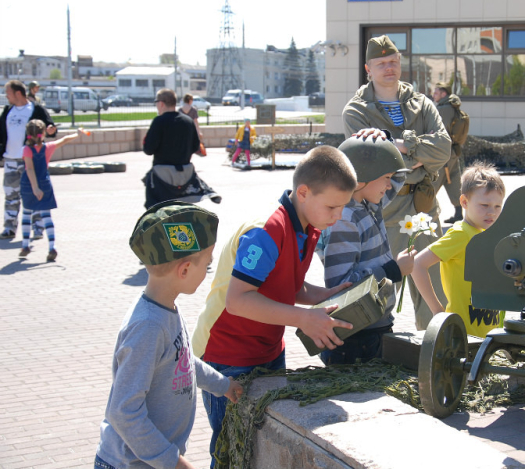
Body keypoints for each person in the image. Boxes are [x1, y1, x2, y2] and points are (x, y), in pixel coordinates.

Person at [192, 145, 357, 466]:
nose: (338, 217)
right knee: (230, 449)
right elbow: (238, 301)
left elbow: (290, 286)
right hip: (227, 357)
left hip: (267, 352)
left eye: (343, 208)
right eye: (333, 207)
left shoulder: (308, 227)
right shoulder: (266, 231)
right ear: (304, 192)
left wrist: (327, 295)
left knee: (259, 444)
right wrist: (303, 319)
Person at [96, 201, 243, 469]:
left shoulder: (166, 310)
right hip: (131, 464)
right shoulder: (148, 327)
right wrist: (174, 462)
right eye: (206, 265)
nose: (207, 272)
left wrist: (224, 385)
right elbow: (123, 412)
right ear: (185, 270)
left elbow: (183, 361)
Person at [342, 35, 451, 331]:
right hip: (384, 207)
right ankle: (371, 350)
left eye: (393, 62)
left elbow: (443, 150)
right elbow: (373, 162)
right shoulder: (357, 111)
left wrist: (400, 144)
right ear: (368, 68)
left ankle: (436, 348)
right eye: (381, 63)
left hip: (422, 206)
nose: (389, 68)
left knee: (435, 285)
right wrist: (416, 155)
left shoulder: (421, 103)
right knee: (378, 284)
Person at [315, 131, 415, 365]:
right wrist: (393, 270)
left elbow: (397, 176)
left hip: (374, 325)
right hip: (356, 337)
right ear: (361, 179)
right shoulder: (346, 219)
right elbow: (340, 285)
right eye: (386, 177)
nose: (391, 184)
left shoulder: (369, 202)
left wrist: (384, 139)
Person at [411, 162, 506, 337]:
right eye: (484, 205)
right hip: (463, 336)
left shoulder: (489, 235)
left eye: (497, 206)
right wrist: (437, 311)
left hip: (489, 334)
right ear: (464, 201)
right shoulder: (461, 234)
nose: (491, 212)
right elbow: (417, 265)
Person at [18, 120, 86, 261]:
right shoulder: (48, 147)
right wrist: (77, 134)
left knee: (26, 213)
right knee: (46, 215)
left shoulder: (26, 150)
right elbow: (64, 140)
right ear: (43, 133)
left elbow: (29, 168)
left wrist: (34, 187)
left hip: (28, 185)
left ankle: (25, 245)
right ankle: (52, 246)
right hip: (44, 184)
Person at [142, 88, 220, 209]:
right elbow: (195, 147)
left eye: (156, 102)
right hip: (185, 177)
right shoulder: (188, 121)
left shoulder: (159, 122)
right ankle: (208, 192)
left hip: (162, 178)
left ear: (161, 103)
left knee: (153, 207)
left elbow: (148, 149)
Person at [1, 80, 56, 240]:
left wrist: (51, 130)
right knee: (11, 194)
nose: (6, 96)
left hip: (30, 160)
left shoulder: (35, 109)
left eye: (8, 92)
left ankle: (37, 228)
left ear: (18, 93)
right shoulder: (8, 110)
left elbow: (49, 126)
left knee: (34, 192)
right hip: (11, 159)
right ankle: (9, 228)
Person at [431, 81, 468, 224]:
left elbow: (438, 131)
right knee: (453, 181)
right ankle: (459, 214)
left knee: (432, 182)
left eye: (436, 92)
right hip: (452, 152)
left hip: (443, 152)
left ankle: (425, 214)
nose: (433, 94)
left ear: (443, 94)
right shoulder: (452, 108)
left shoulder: (444, 109)